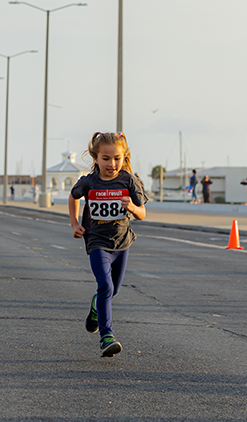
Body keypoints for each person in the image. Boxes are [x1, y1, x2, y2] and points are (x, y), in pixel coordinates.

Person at [68, 132, 147, 358]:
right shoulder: (89, 181)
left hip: (122, 243)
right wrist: (74, 224)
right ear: (95, 158)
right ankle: (106, 336)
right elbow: (73, 197)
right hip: (96, 241)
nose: (111, 164)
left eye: (116, 158)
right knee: (106, 286)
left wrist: (132, 207)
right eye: (105, 158)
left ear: (124, 157)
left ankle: (96, 308)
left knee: (113, 290)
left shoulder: (129, 181)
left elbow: (142, 213)